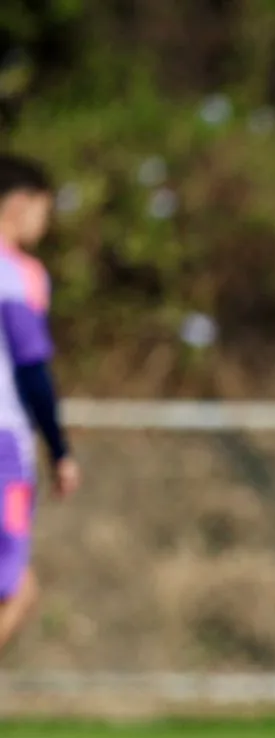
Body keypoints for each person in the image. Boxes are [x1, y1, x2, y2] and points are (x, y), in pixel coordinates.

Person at [0, 154, 80, 654]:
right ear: (21, 203)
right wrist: (59, 447)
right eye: (43, 210)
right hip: (3, 445)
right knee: (16, 589)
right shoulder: (18, 274)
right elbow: (31, 366)